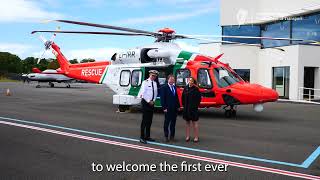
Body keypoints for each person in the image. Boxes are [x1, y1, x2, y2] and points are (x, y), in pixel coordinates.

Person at [138, 70, 158, 144]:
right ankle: (142, 137)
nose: (153, 77)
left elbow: (155, 93)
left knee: (150, 121)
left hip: (152, 103)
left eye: (155, 76)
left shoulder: (155, 83)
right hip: (146, 103)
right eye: (152, 75)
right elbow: (143, 93)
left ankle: (147, 136)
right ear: (149, 75)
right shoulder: (145, 82)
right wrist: (149, 101)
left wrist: (154, 100)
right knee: (144, 121)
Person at [160, 74, 181, 142]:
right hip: (167, 108)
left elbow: (176, 97)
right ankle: (166, 136)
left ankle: (172, 136)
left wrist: (178, 106)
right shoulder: (164, 87)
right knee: (167, 123)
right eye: (171, 79)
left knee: (173, 123)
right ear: (168, 80)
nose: (172, 81)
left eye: (173, 79)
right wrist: (164, 108)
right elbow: (162, 99)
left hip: (174, 109)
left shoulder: (174, 87)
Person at [182, 77, 201, 143]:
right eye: (189, 80)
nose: (190, 82)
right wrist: (184, 106)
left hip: (193, 109)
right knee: (187, 123)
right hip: (186, 108)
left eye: (191, 81)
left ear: (193, 82)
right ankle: (187, 136)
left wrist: (196, 106)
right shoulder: (186, 88)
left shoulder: (196, 89)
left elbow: (199, 99)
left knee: (195, 123)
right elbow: (183, 98)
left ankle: (196, 137)